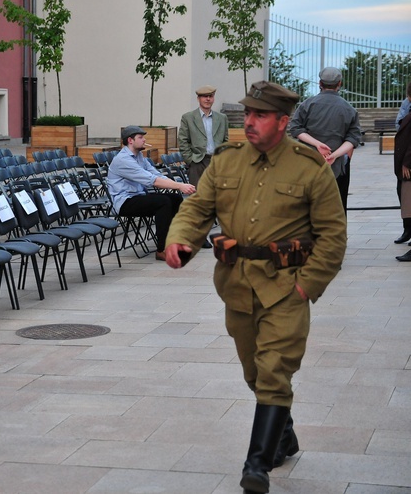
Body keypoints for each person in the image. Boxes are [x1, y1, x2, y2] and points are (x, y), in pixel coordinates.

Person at [165, 81, 347, 494]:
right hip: (237, 287)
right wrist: (181, 239)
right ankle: (283, 434)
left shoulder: (309, 166)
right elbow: (197, 207)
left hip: (286, 288)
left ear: (283, 122)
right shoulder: (226, 162)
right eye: (247, 113)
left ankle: (256, 466)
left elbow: (333, 235)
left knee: (273, 371)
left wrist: (306, 287)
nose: (248, 122)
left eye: (260, 115)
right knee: (254, 372)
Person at [107, 125, 195, 261]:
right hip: (125, 202)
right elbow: (152, 181)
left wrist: (179, 186)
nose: (144, 140)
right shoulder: (123, 160)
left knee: (175, 198)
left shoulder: (139, 156)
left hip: (138, 196)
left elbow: (155, 174)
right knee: (163, 202)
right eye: (141, 137)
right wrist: (179, 185)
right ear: (130, 140)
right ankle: (162, 249)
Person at [288, 66, 362, 215]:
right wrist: (334, 155)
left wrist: (316, 144)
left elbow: (295, 129)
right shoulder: (349, 109)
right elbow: (353, 138)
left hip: (307, 164)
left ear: (320, 83)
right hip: (337, 166)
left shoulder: (307, 105)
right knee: (338, 207)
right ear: (339, 84)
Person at [178, 85, 229, 187]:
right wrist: (190, 160)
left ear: (213, 98)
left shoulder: (222, 118)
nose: (208, 99)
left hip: (217, 161)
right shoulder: (188, 118)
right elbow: (183, 140)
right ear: (198, 99)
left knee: (218, 195)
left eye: (210, 96)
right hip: (197, 162)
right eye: (204, 96)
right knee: (197, 197)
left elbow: (225, 140)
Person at [394, 84, 411, 260]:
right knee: (403, 195)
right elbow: (398, 122)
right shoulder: (407, 104)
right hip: (404, 163)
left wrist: (407, 161)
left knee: (409, 198)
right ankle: (408, 229)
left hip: (408, 164)